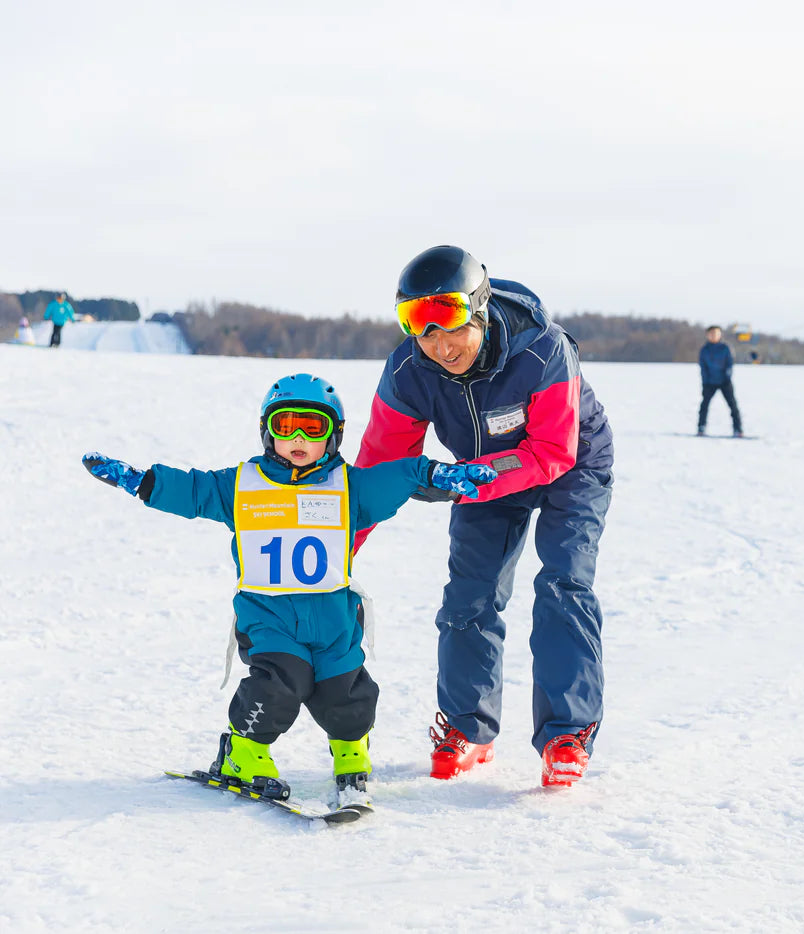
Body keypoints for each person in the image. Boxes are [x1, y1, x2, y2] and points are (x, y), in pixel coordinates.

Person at [81, 373, 495, 807]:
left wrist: (440, 474)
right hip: (271, 621)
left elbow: (400, 478)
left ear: (333, 435)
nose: (297, 437)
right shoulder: (240, 485)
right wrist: (141, 482)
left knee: (348, 692)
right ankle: (243, 752)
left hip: (334, 623)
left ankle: (351, 749)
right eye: (285, 426)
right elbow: (193, 490)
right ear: (267, 431)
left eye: (312, 428)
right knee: (279, 685)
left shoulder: (349, 487)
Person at [354, 245, 614, 788]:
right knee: (470, 594)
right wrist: (345, 537)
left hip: (570, 461)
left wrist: (474, 478)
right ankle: (469, 729)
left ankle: (568, 732)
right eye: (420, 329)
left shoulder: (542, 351)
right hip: (481, 473)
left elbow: (551, 452)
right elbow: (381, 464)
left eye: (450, 324)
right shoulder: (410, 370)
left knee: (563, 584)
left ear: (478, 307)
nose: (440, 345)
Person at [697, 325, 743, 437]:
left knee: (732, 405)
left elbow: (729, 364)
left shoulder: (725, 348)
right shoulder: (704, 350)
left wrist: (727, 377)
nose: (714, 335)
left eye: (716, 333)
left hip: (724, 381)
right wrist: (705, 382)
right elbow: (703, 367)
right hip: (709, 382)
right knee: (704, 405)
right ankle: (701, 428)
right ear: (708, 335)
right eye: (712, 333)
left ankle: (738, 429)